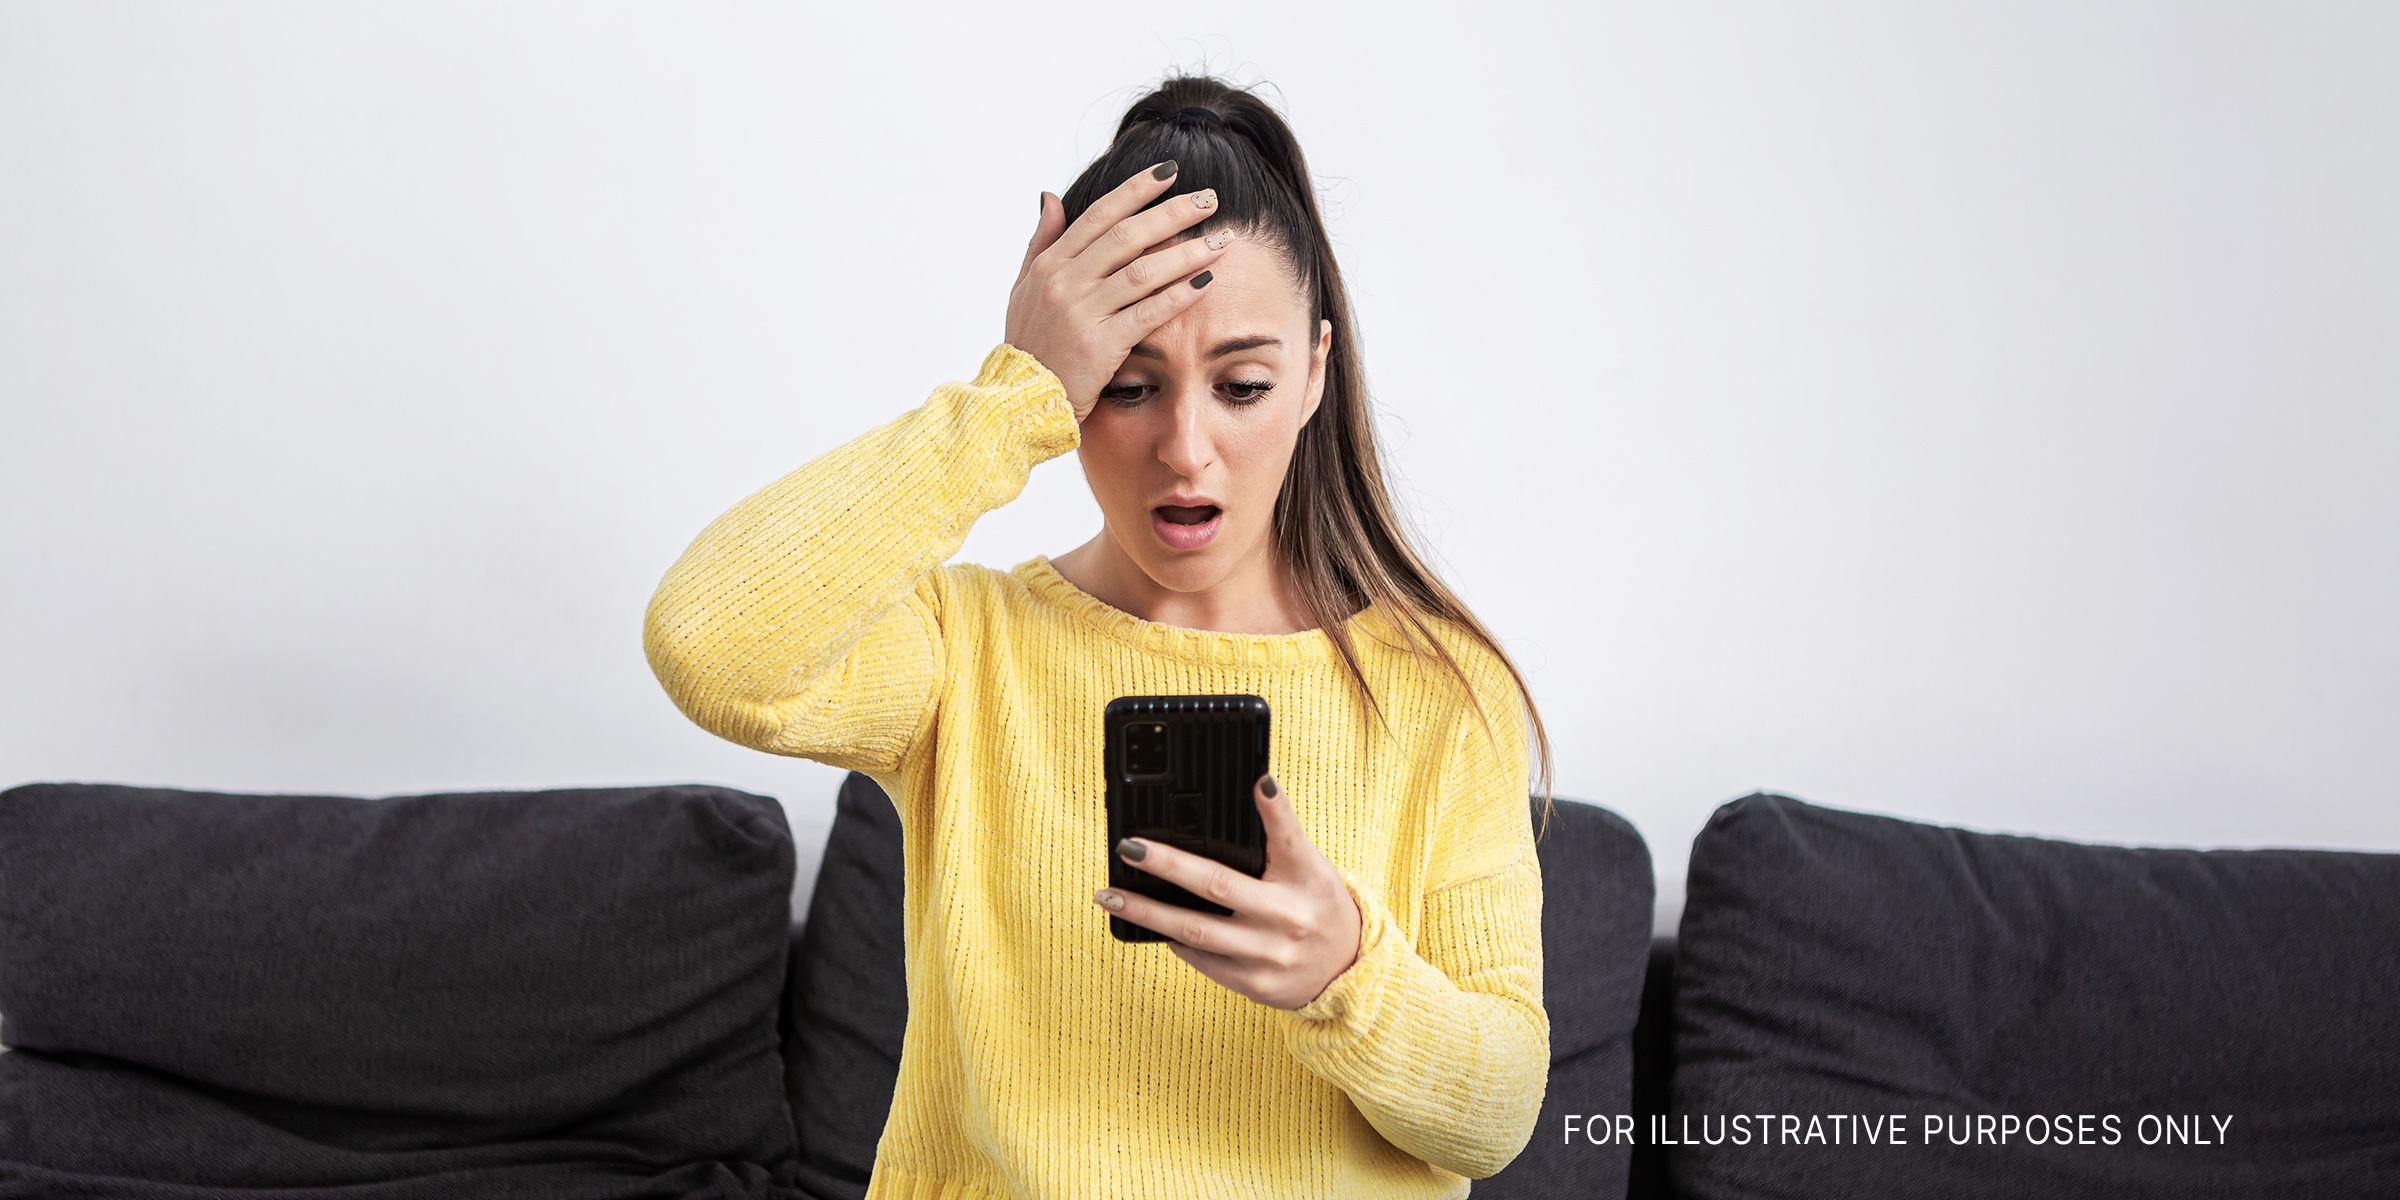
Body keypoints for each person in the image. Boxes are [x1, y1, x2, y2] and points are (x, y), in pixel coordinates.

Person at [645, 75, 1551, 1199]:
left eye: (1243, 384)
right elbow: (707, 639)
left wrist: (1350, 973)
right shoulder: (966, 651)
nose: (1186, 448)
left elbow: (1500, 1112)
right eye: (1125, 387)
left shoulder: (1439, 692)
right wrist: (1010, 396)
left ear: (1316, 371)